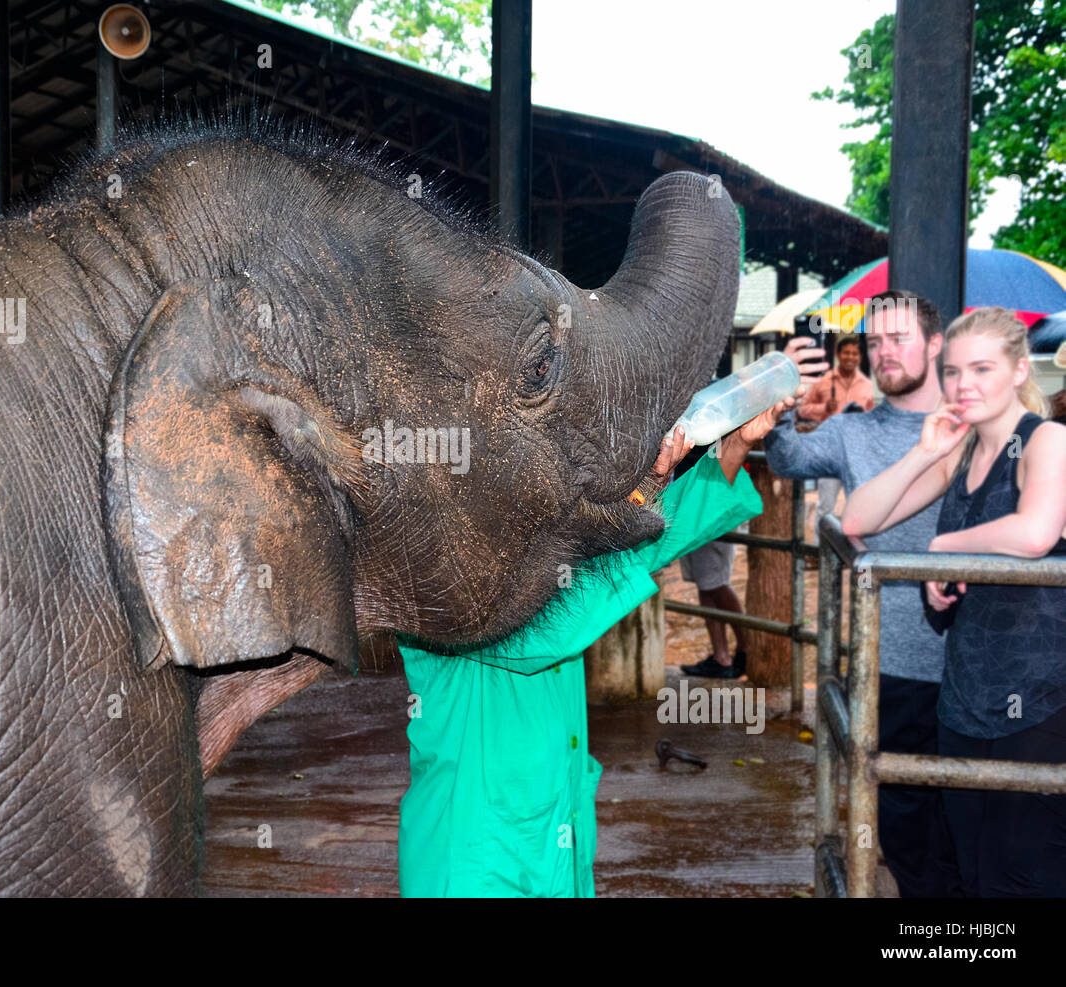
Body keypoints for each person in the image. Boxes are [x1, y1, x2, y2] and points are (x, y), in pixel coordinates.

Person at [396, 389, 808, 897]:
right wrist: (646, 491)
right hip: (474, 857)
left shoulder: (521, 555)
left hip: (550, 839)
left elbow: (634, 547)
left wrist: (733, 449)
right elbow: (555, 621)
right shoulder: (427, 573)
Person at [842, 307, 1066, 897]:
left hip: (1042, 699)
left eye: (983, 369)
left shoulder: (1049, 441)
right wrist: (924, 450)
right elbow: (858, 517)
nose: (964, 385)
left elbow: (1035, 531)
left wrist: (943, 548)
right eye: (953, 371)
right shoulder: (960, 452)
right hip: (965, 694)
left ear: (1020, 371)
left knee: (1025, 873)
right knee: (969, 866)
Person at [764, 289, 962, 898]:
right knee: (900, 828)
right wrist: (780, 394)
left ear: (934, 344)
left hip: (978, 664)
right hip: (892, 665)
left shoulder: (979, 424)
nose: (884, 351)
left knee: (979, 822)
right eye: (875, 341)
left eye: (899, 338)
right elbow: (788, 458)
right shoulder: (853, 431)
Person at [675, 444, 749, 679]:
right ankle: (721, 656)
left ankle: (746, 648)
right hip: (694, 501)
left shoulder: (719, 420)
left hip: (713, 503)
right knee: (705, 584)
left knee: (715, 583)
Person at [799, 335, 877, 519]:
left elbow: (871, 418)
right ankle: (821, 548)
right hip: (830, 453)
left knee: (858, 507)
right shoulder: (824, 381)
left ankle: (853, 548)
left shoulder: (867, 385)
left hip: (857, 453)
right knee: (826, 508)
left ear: (860, 357)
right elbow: (803, 409)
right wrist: (824, 408)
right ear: (838, 354)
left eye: (854, 353)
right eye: (846, 353)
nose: (850, 357)